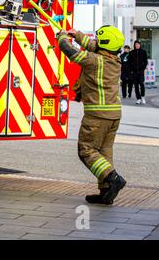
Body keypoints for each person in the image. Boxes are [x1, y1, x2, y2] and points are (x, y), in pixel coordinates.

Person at [57, 26, 127, 205]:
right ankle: (106, 192)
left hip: (97, 115)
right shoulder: (114, 60)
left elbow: (71, 52)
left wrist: (63, 38)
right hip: (113, 115)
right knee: (104, 152)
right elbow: (94, 46)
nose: (95, 41)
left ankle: (112, 178)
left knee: (86, 150)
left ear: (103, 43)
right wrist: (77, 35)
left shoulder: (94, 61)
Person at [129, 40, 148, 105]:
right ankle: (138, 98)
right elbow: (129, 62)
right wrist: (131, 70)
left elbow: (145, 61)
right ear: (134, 45)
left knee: (141, 83)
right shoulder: (131, 52)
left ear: (140, 45)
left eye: (138, 44)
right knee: (136, 85)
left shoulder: (143, 52)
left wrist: (143, 68)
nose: (137, 45)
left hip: (141, 71)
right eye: (136, 44)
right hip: (134, 71)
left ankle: (142, 97)